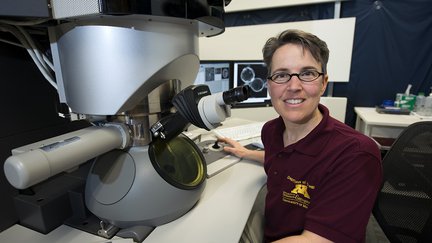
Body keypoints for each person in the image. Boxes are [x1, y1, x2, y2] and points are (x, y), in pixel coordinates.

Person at [218, 29, 383, 243]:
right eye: (281, 75)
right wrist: (247, 153)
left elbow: (316, 240)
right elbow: (285, 159)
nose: (294, 86)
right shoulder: (271, 131)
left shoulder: (355, 154)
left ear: (323, 83)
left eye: (307, 73)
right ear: (269, 85)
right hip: (273, 228)